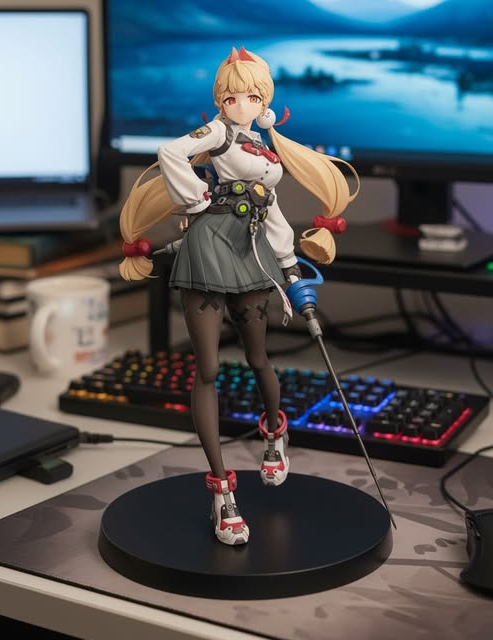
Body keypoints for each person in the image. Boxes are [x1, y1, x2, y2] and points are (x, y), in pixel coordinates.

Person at [119, 46, 359, 546]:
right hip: (208, 251)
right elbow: (169, 153)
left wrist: (291, 272)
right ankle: (222, 492)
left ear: (264, 101)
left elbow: (272, 215)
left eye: (251, 97)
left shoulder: (264, 147)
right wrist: (195, 200)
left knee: (258, 358)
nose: (240, 105)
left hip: (251, 256)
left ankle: (274, 432)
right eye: (231, 98)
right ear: (220, 101)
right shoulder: (218, 132)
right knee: (207, 369)